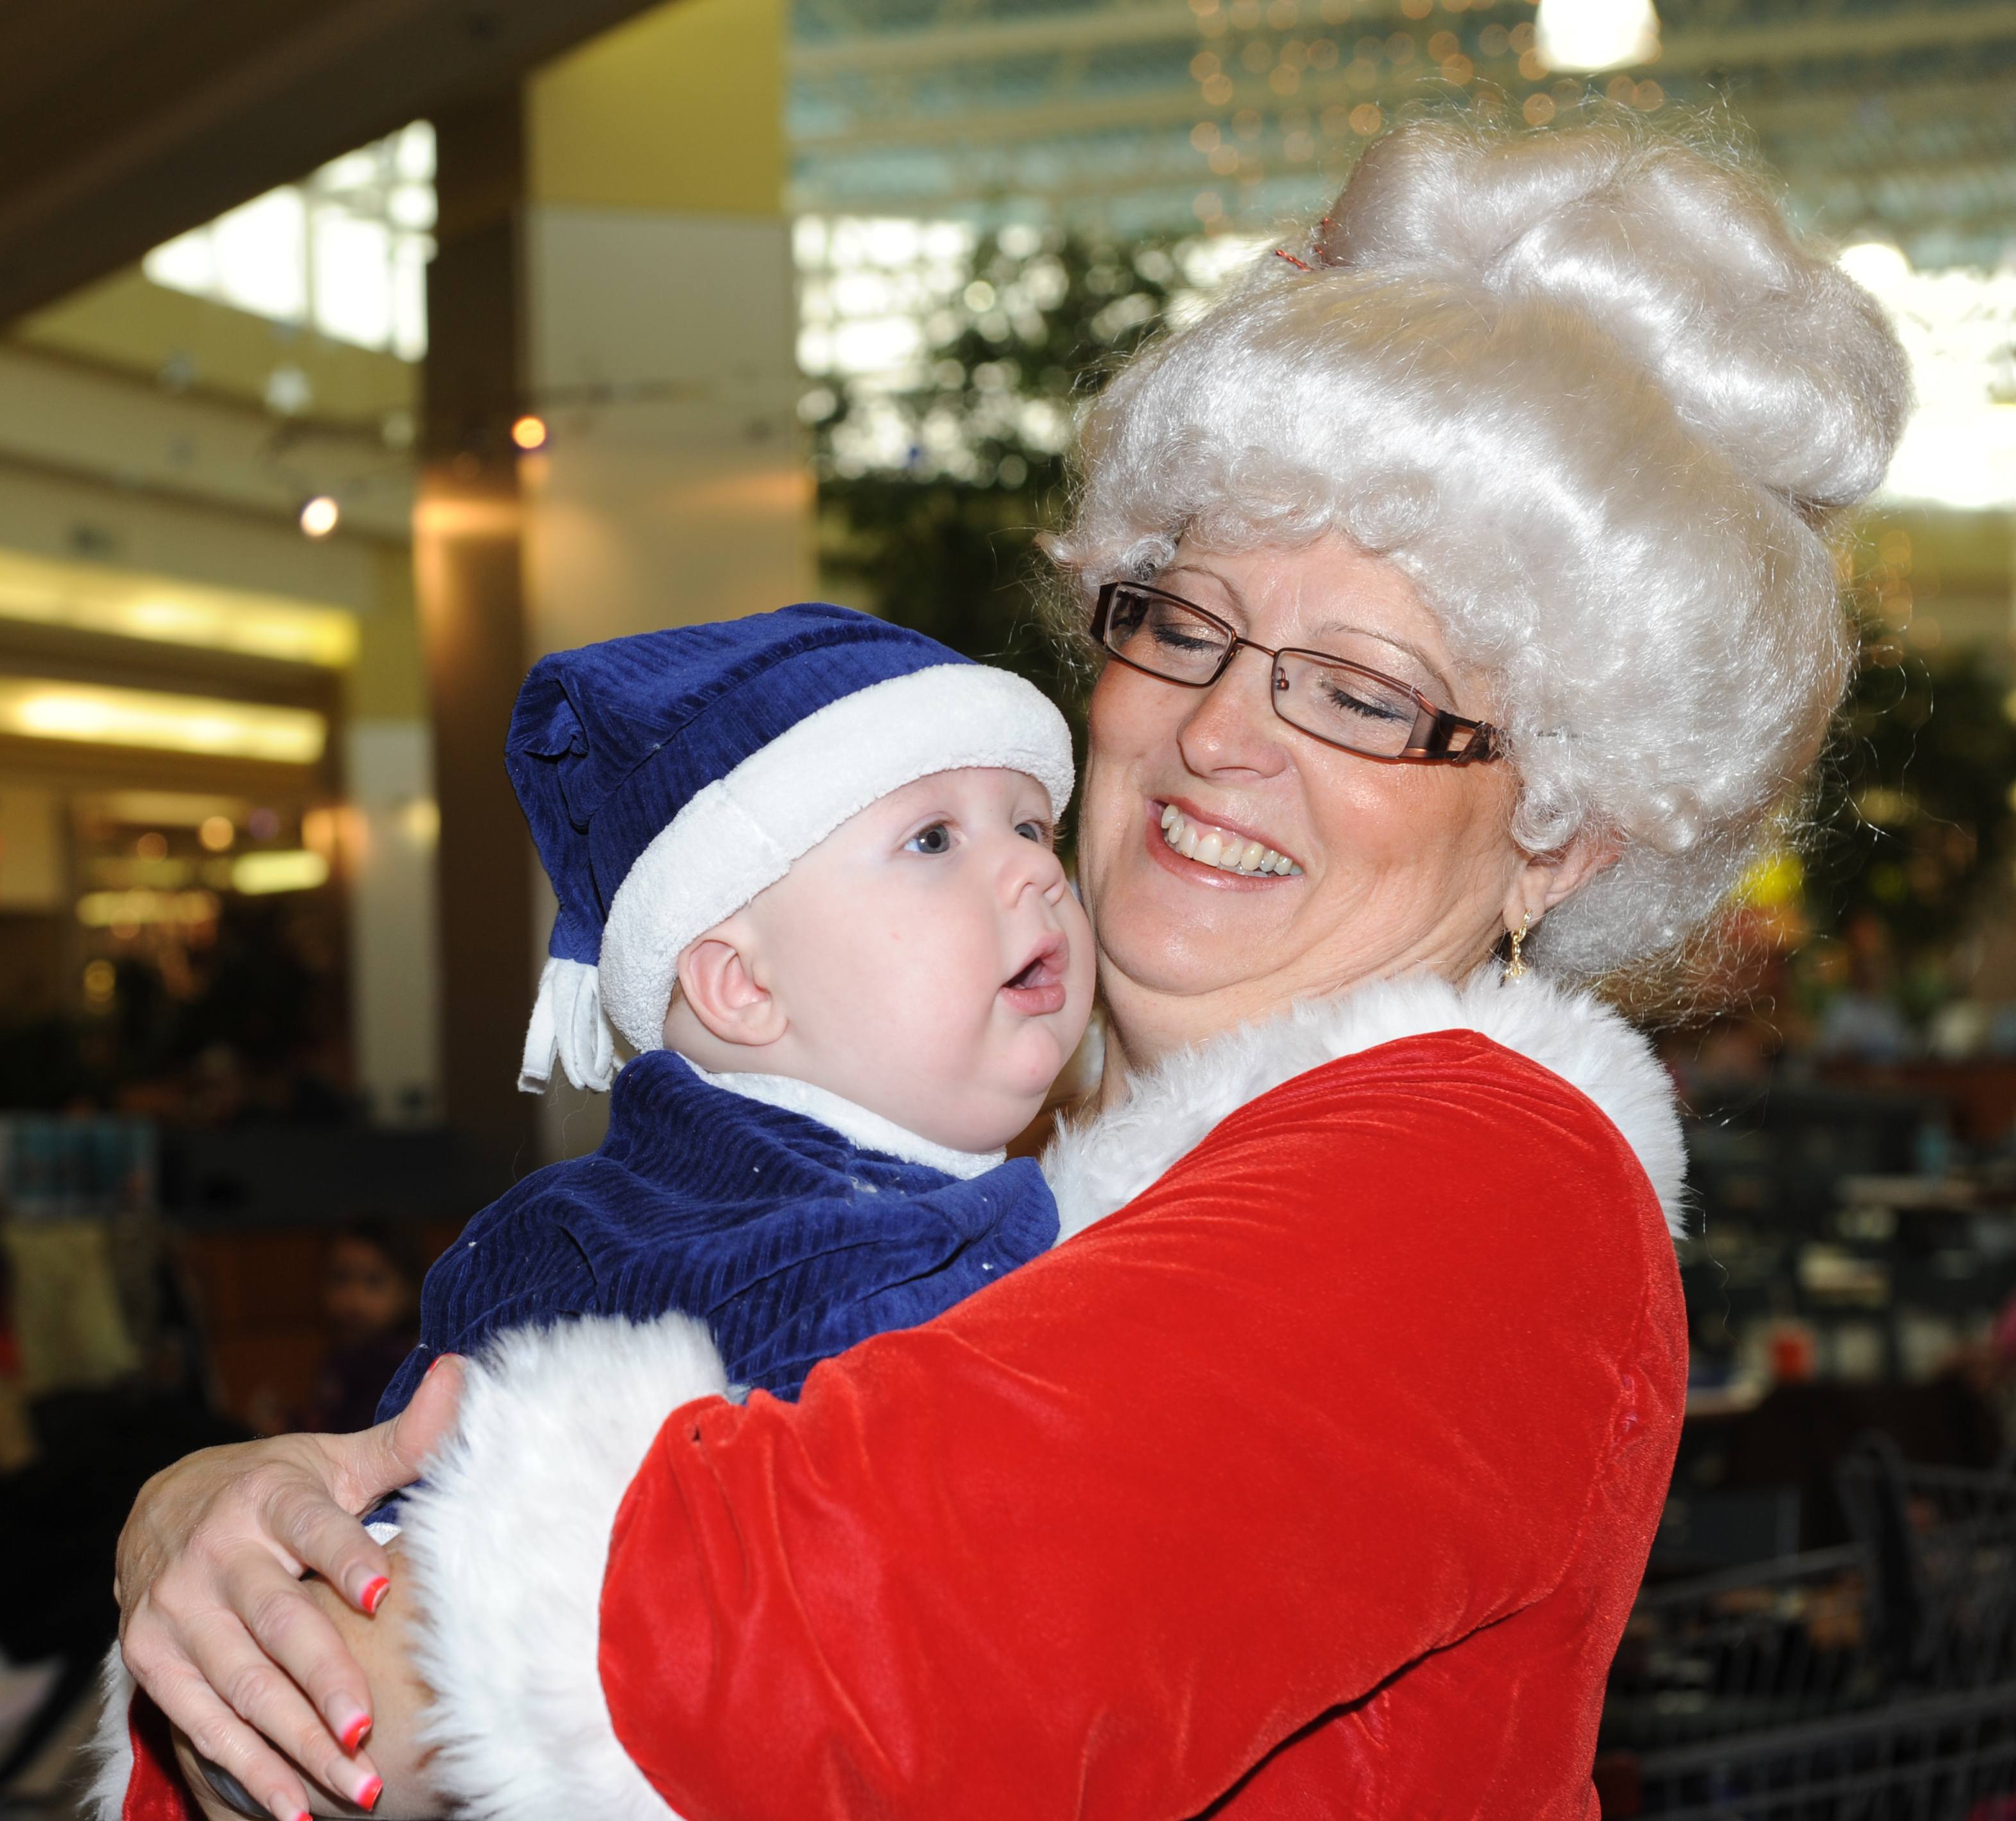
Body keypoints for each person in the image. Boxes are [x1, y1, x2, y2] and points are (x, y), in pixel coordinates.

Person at [95, 109, 1911, 1821]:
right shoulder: (973, 1127)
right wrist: (223, 1520)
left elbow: (822, 1663)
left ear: (1563, 830)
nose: (1218, 735)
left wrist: (295, 1602)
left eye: (1365, 694)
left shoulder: (1475, 1178)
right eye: (1184, 623)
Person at [363, 607, 1084, 1445]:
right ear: (741, 985)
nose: (1038, 868)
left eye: (1033, 827)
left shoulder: (589, 1220)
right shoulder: (829, 1266)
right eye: (932, 839)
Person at [292, 1222, 423, 1439]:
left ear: (408, 1290)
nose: (353, 1296)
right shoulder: (343, 1354)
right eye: (340, 1278)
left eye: (373, 1281)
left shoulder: (399, 1362)